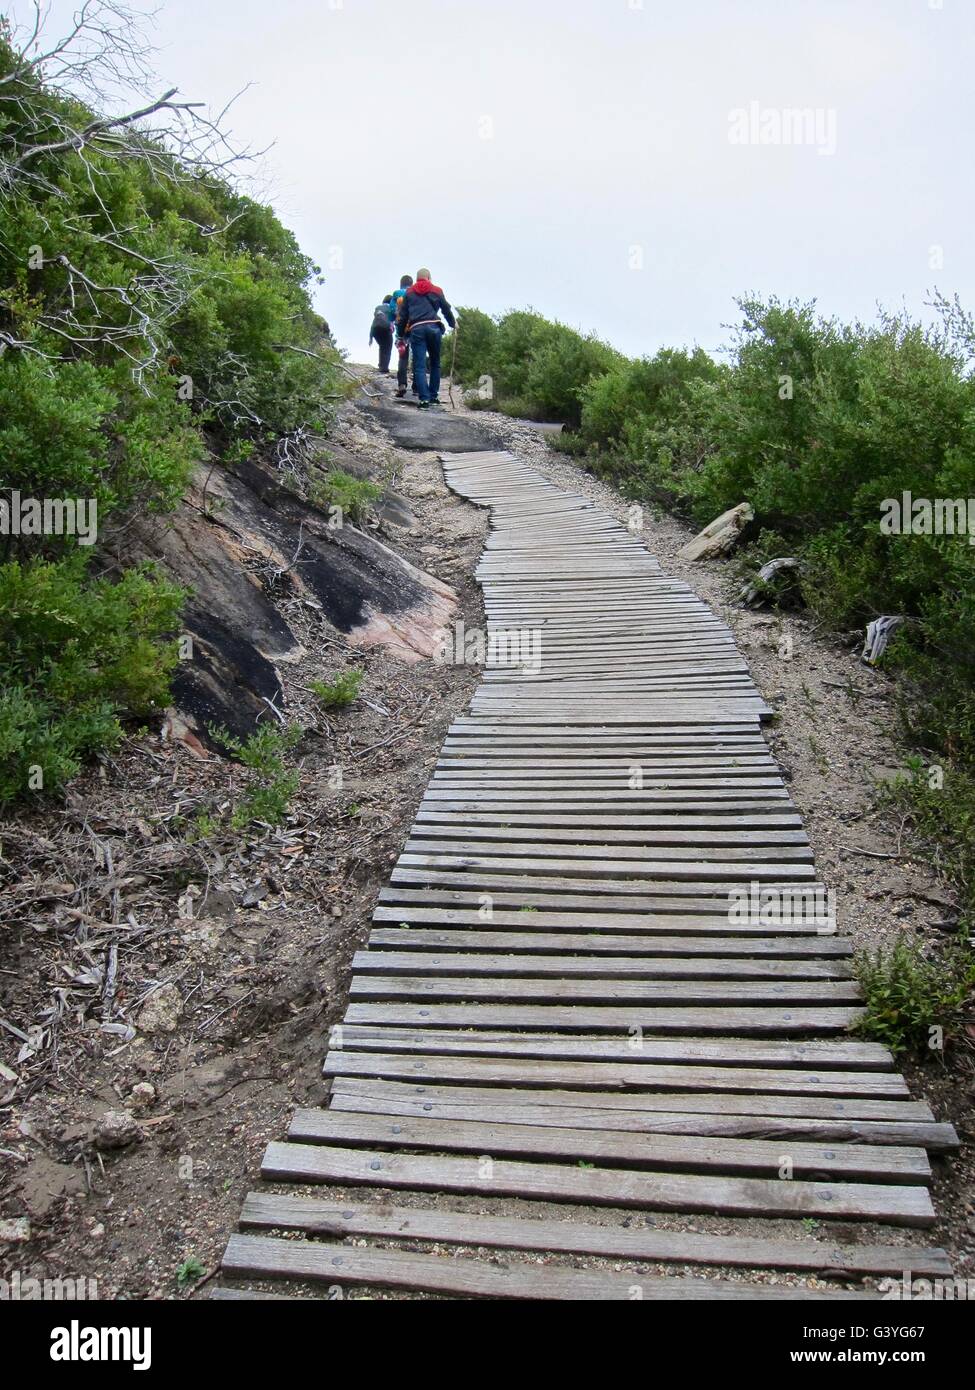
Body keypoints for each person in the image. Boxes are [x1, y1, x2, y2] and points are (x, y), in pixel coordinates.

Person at [396, 267, 455, 408]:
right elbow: (446, 309)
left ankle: (424, 400)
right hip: (434, 328)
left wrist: (401, 333)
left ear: (417, 279)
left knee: (420, 365)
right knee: (435, 363)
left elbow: (403, 315)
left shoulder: (409, 293)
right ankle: (434, 396)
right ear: (429, 278)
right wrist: (453, 323)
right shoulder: (437, 290)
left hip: (417, 329)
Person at [389, 275, 414, 398]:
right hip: (415, 326)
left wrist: (392, 322)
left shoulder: (397, 293)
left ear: (401, 284)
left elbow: (392, 310)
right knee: (417, 356)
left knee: (402, 356)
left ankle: (402, 385)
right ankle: (417, 387)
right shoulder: (415, 292)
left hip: (401, 328)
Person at [369, 297, 394, 373]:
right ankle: (384, 368)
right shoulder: (391, 308)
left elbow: (375, 320)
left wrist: (370, 337)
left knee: (382, 346)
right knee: (388, 348)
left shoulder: (378, 308)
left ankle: (381, 366)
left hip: (375, 329)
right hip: (385, 328)